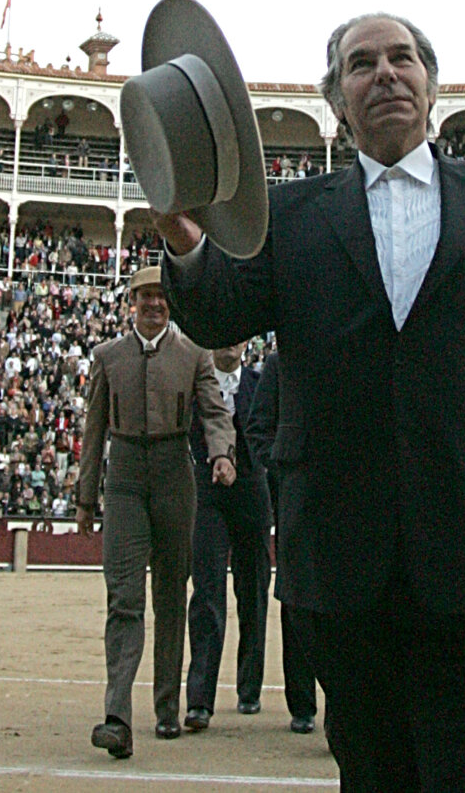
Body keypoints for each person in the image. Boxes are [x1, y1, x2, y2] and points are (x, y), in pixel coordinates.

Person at [155, 12, 465, 790]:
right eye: (362, 64)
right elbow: (220, 315)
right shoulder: (289, 215)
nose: (386, 73)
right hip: (342, 546)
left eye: (402, 58)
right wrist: (187, 242)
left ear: (431, 86)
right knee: (371, 765)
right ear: (337, 100)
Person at [74, 265, 236, 758]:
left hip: (173, 475)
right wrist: (85, 498)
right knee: (123, 596)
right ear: (133, 302)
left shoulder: (194, 355)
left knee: (170, 594)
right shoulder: (108, 356)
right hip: (124, 477)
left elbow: (214, 412)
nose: (155, 304)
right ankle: (117, 717)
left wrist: (222, 453)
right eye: (146, 296)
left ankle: (166, 707)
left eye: (162, 297)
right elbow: (93, 431)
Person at [183, 340, 272, 732]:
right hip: (207, 490)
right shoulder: (197, 384)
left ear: (246, 343)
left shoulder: (259, 382)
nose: (232, 344)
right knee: (207, 591)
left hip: (252, 489)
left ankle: (249, 688)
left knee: (253, 592)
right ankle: (200, 699)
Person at [245, 350, 321, 734]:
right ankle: (302, 704)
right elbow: (258, 429)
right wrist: (284, 472)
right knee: (296, 603)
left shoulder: (354, 350)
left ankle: (343, 706)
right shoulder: (280, 364)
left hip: (349, 496)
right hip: (297, 499)